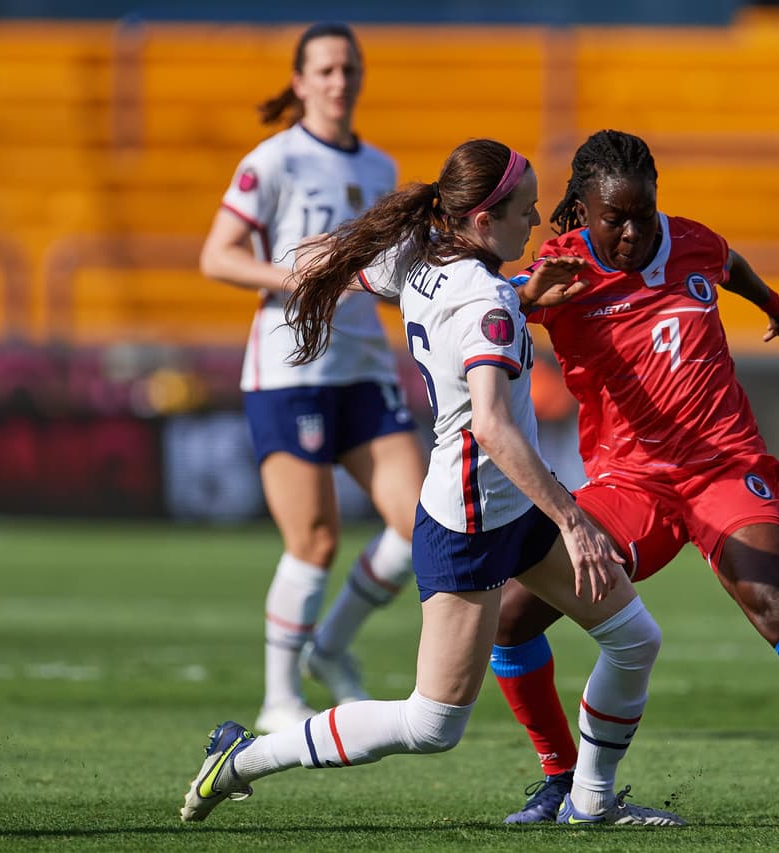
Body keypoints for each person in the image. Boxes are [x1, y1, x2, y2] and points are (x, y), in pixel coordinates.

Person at [180, 138, 684, 827]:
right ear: (483, 221)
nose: (536, 222)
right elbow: (493, 427)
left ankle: (590, 801)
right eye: (525, 210)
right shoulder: (485, 302)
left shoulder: (422, 255)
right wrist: (574, 520)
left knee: (634, 638)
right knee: (431, 723)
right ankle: (242, 757)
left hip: (511, 506)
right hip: (470, 521)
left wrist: (525, 293)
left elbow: (352, 265)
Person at [489, 129, 779, 827]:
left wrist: (776, 307)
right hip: (630, 483)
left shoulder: (690, 241)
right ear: (584, 208)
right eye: (616, 219)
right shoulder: (560, 266)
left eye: (644, 213)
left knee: (776, 601)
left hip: (723, 466)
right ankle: (560, 777)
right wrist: (527, 297)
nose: (633, 232)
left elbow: (732, 265)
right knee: (510, 613)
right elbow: (490, 315)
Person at [198, 22, 426, 733]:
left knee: (421, 525)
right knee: (315, 539)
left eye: (348, 68)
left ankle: (329, 646)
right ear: (300, 82)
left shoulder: (381, 167)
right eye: (325, 70)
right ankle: (277, 697)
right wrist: (293, 280)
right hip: (290, 368)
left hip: (361, 366)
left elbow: (388, 273)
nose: (339, 81)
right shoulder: (275, 161)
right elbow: (217, 256)